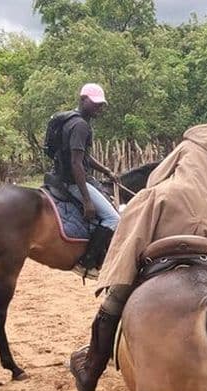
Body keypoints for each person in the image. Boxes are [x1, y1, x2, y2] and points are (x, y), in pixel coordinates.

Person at [69, 104, 207, 391]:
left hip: (167, 227)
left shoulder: (192, 144)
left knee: (119, 292)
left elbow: (155, 179)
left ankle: (91, 369)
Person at [55, 83, 120, 266]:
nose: (98, 108)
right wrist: (87, 200)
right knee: (113, 219)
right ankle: (89, 261)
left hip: (62, 176)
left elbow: (84, 157)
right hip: (73, 182)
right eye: (95, 103)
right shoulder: (81, 126)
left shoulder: (70, 120)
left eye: (101, 104)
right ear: (83, 100)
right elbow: (76, 163)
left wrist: (106, 171)